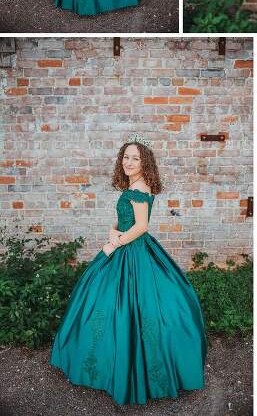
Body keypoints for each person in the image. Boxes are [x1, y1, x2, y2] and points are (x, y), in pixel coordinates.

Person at [50, 134, 206, 405]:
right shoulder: (132, 187)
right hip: (124, 244)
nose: (129, 162)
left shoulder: (139, 189)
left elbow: (141, 226)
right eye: (126, 157)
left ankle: (134, 369)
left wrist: (115, 244)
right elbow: (126, 219)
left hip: (132, 251)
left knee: (131, 303)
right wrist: (112, 230)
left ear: (145, 163)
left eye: (135, 158)